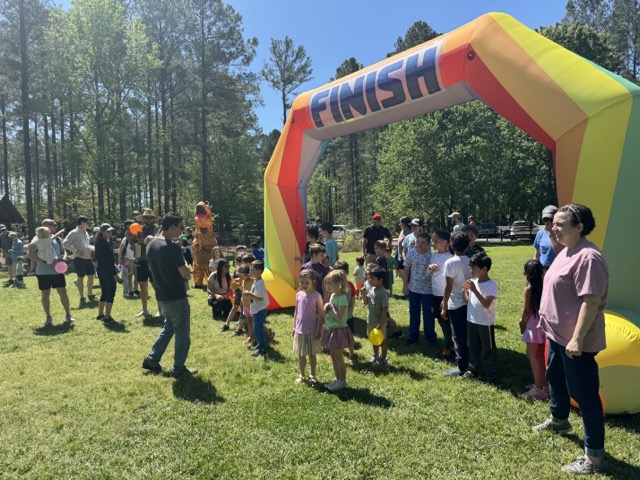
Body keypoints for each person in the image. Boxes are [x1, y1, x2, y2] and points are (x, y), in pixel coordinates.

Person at [532, 204, 608, 475]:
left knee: (585, 395)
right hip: (556, 335)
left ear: (580, 226)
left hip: (576, 342)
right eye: (554, 223)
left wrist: (577, 339)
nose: (554, 228)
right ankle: (559, 419)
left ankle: (594, 458)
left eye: (561, 224)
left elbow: (591, 301)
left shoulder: (588, 257)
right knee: (556, 379)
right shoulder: (567, 251)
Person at [141, 212, 197, 377]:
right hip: (176, 295)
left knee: (169, 327)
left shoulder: (151, 245)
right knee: (182, 333)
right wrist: (186, 263)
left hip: (162, 294)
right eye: (180, 227)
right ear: (172, 227)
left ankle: (152, 359)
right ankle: (178, 368)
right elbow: (185, 273)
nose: (181, 230)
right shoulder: (173, 248)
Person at [27, 219, 74, 327]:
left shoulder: (57, 239)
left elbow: (63, 251)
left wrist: (64, 258)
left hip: (58, 272)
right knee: (45, 293)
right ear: (45, 226)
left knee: (63, 292)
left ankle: (68, 314)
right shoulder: (37, 239)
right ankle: (48, 317)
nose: (56, 226)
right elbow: (30, 254)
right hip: (43, 272)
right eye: (54, 225)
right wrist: (44, 261)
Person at [462, 253, 499, 384]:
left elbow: (486, 304)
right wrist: (464, 291)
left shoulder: (491, 285)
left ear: (484, 269)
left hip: (485, 322)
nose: (471, 271)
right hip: (472, 319)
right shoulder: (473, 282)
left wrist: (475, 290)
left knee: (487, 349)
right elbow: (468, 301)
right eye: (471, 267)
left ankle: (491, 375)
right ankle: (472, 369)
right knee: (472, 346)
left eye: (474, 268)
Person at [442, 233, 472, 377]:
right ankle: (471, 363)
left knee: (458, 336)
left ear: (451, 245)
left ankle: (462, 367)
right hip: (471, 303)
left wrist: (444, 305)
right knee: (468, 335)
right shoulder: (471, 260)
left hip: (456, 304)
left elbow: (448, 286)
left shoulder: (450, 262)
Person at [519, 259, 548, 400]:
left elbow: (527, 311)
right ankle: (543, 384)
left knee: (532, 357)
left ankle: (539, 389)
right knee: (541, 357)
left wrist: (522, 323)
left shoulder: (529, 289)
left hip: (532, 327)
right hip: (544, 326)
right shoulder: (545, 286)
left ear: (527, 273)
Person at [403, 231, 437, 346]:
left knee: (428, 314)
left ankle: (430, 336)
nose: (420, 244)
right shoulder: (411, 254)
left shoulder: (432, 256)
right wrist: (405, 286)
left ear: (428, 244)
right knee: (414, 313)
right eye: (418, 242)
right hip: (413, 289)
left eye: (423, 242)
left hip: (428, 290)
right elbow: (406, 270)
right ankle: (413, 336)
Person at [322, 270, 354, 391]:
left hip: (339, 330)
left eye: (329, 284)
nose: (327, 286)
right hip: (332, 329)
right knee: (333, 357)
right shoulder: (333, 296)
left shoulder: (342, 299)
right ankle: (337, 379)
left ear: (339, 284)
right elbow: (330, 310)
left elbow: (339, 316)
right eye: (326, 284)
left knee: (339, 358)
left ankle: (342, 381)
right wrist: (327, 306)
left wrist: (332, 308)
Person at [292, 269, 324, 384]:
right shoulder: (298, 295)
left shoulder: (317, 296)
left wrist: (319, 329)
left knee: (311, 354)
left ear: (313, 282)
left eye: (307, 283)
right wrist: (294, 326)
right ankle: (302, 374)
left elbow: (321, 313)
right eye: (301, 282)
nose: (304, 285)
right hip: (300, 330)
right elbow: (296, 311)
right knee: (301, 354)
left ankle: (313, 375)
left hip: (312, 330)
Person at [429, 229, 454, 360]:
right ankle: (449, 344)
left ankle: (448, 346)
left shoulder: (450, 258)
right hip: (435, 292)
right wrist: (429, 268)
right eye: (433, 241)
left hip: (445, 294)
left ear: (445, 242)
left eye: (436, 241)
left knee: (446, 319)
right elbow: (428, 274)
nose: (433, 244)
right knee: (439, 318)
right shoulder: (434, 255)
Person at [63, 216, 97, 304]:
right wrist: (75, 250)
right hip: (79, 258)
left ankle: (90, 294)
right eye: (86, 223)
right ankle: (82, 297)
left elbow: (87, 244)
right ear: (82, 223)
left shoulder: (86, 233)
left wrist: (94, 248)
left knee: (91, 275)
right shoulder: (74, 232)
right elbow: (65, 243)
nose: (87, 225)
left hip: (88, 257)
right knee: (80, 277)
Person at [133, 209, 159, 318]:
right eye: (146, 218)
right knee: (142, 285)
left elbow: (156, 241)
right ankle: (144, 310)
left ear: (153, 219)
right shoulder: (139, 229)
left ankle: (160, 310)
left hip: (153, 261)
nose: (148, 220)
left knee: (156, 285)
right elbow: (134, 242)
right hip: (141, 260)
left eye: (150, 218)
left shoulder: (157, 229)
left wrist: (143, 240)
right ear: (143, 219)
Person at [363, 267, 390, 367]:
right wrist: (363, 294)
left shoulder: (383, 293)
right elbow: (366, 301)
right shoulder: (372, 289)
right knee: (374, 339)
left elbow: (384, 308)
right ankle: (376, 355)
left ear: (380, 280)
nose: (370, 280)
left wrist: (382, 321)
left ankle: (383, 359)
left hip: (379, 322)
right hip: (371, 320)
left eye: (372, 279)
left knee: (382, 341)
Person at [94, 224, 120, 324]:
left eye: (111, 231)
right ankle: (107, 317)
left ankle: (101, 314)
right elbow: (108, 260)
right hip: (107, 270)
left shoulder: (99, 241)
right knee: (110, 292)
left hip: (101, 270)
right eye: (108, 231)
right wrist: (114, 273)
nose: (110, 233)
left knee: (104, 291)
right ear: (102, 232)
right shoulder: (103, 243)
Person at [245, 260, 270, 358]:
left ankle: (262, 348)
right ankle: (259, 344)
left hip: (260, 310)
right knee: (256, 329)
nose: (250, 272)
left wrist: (250, 294)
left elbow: (260, 298)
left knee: (258, 329)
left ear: (259, 271)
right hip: (256, 309)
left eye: (252, 270)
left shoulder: (260, 284)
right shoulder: (256, 281)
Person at [334, 260, 357, 362]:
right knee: (338, 337)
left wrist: (351, 310)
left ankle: (352, 354)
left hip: (347, 316)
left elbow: (352, 299)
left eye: (342, 273)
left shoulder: (350, 285)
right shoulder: (334, 286)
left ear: (347, 273)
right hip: (338, 316)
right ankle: (339, 355)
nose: (340, 276)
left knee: (349, 336)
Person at [534, 204, 564, 270]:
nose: (548, 222)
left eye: (550, 219)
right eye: (545, 220)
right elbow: (537, 254)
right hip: (543, 270)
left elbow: (563, 254)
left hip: (559, 269)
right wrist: (533, 268)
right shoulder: (540, 233)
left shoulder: (563, 233)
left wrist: (551, 232)